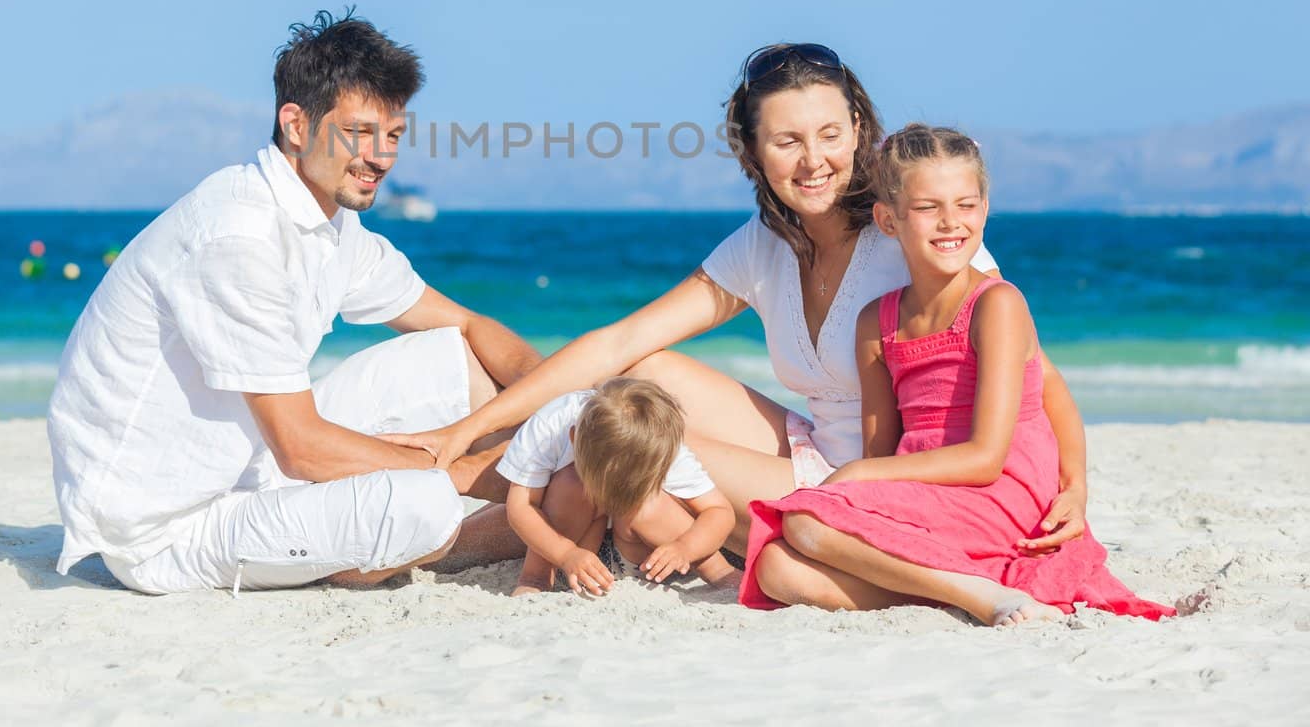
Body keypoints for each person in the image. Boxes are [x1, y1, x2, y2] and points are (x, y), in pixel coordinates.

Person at [388, 44, 1091, 555]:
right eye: (787, 140)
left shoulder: (913, 230)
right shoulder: (763, 244)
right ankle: (447, 460)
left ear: (859, 132)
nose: (813, 160)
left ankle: (424, 476)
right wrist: (472, 421)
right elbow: (616, 344)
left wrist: (1074, 487)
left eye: (830, 135)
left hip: (871, 482)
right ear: (754, 152)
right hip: (810, 445)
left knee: (617, 443)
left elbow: (1037, 372)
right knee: (644, 376)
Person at [47, 10, 541, 595]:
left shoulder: (327, 222)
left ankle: (552, 496)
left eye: (393, 136)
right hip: (165, 528)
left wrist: (564, 406)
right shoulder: (238, 237)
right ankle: (492, 531)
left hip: (254, 464)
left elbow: (464, 324)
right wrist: (465, 472)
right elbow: (301, 446)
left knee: (457, 358)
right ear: (297, 126)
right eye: (359, 133)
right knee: (427, 506)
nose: (381, 158)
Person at [742, 126, 1173, 624]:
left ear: (985, 210)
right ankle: (957, 587)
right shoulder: (875, 323)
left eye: (966, 205)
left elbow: (988, 457)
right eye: (928, 208)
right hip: (929, 491)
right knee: (776, 567)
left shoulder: (997, 305)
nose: (950, 222)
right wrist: (863, 480)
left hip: (999, 491)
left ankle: (983, 598)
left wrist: (1075, 487)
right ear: (888, 219)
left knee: (805, 523)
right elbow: (883, 455)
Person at [497, 378, 740, 597]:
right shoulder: (549, 428)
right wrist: (566, 554)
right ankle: (536, 578)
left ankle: (721, 574)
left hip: (642, 556)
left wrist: (685, 548)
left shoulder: (657, 445)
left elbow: (719, 511)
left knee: (649, 504)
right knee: (572, 483)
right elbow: (520, 507)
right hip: (569, 546)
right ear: (574, 438)